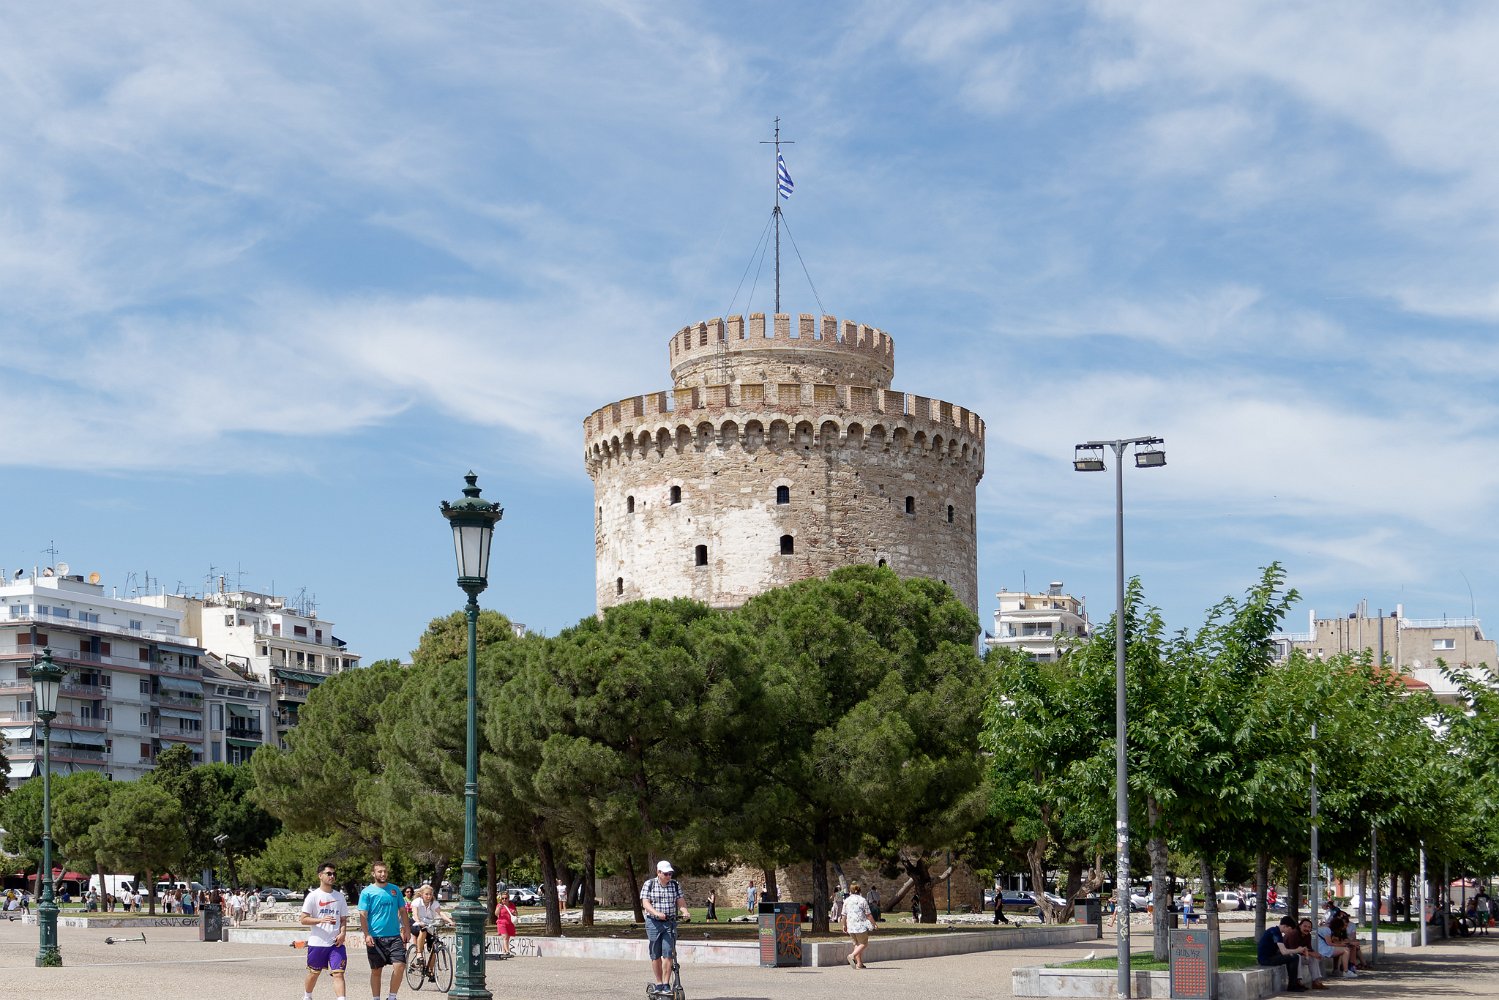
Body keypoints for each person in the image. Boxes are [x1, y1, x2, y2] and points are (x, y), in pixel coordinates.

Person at [359, 861, 411, 1000]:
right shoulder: (367, 892)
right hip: (375, 937)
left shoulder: (395, 890)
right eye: (380, 871)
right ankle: (376, 998)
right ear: (373, 873)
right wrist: (366, 934)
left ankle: (392, 997)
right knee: (376, 971)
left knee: (400, 966)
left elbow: (402, 910)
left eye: (385, 871)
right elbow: (363, 914)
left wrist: (407, 929)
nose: (383, 874)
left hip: (394, 936)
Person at [640, 860, 690, 996]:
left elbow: (680, 901)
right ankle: (659, 983)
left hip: (670, 923)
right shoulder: (649, 884)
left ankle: (666, 985)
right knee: (655, 954)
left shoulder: (675, 885)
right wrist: (656, 913)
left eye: (670, 874)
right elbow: (645, 903)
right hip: (653, 922)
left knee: (668, 953)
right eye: (666, 874)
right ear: (659, 872)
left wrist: (685, 911)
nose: (669, 876)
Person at [300, 861, 349, 1000]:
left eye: (334, 874)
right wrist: (320, 920)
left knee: (338, 973)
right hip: (318, 943)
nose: (332, 876)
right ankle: (307, 996)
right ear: (320, 875)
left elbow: (343, 919)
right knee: (314, 973)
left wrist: (343, 933)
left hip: (336, 944)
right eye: (329, 873)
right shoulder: (313, 896)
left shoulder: (340, 897)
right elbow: (303, 919)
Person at [1258, 915, 1311, 992]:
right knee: (1294, 957)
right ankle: (1292, 985)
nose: (1290, 931)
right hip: (1266, 959)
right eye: (1290, 929)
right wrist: (1297, 950)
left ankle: (1296, 983)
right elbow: (1284, 951)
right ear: (1285, 926)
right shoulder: (1275, 933)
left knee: (1293, 956)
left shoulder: (1275, 931)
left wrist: (1294, 951)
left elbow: (1281, 950)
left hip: (1271, 956)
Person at [410, 884, 451, 976]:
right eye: (426, 894)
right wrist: (419, 921)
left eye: (430, 894)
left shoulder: (434, 903)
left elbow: (441, 913)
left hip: (429, 925)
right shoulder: (417, 902)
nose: (429, 896)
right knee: (423, 930)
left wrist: (450, 921)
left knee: (435, 946)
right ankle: (419, 953)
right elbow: (415, 914)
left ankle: (430, 969)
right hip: (416, 923)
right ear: (421, 894)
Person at [841, 881, 875, 969]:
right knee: (864, 943)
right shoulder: (862, 900)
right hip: (860, 926)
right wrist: (874, 923)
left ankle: (859, 963)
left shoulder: (847, 901)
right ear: (859, 890)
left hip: (851, 926)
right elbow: (868, 914)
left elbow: (843, 915)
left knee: (857, 944)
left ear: (850, 890)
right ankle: (852, 955)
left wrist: (844, 925)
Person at [1291, 918, 1329, 990]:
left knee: (1314, 958)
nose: (1307, 929)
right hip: (1290, 956)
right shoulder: (1294, 934)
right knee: (1298, 957)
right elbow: (1294, 950)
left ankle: (1316, 982)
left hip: (1301, 955)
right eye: (1305, 926)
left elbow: (1309, 949)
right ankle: (1298, 982)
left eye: (1309, 927)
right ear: (1300, 926)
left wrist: (1316, 954)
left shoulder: (1308, 935)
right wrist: (1311, 953)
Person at [494, 890, 518, 958]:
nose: (504, 900)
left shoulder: (512, 905)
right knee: (505, 937)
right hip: (501, 923)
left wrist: (514, 912)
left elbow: (516, 914)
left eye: (506, 898)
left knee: (507, 938)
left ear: (508, 898)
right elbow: (496, 914)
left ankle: (504, 952)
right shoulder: (499, 905)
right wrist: (499, 908)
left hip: (509, 923)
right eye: (503, 898)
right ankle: (507, 952)